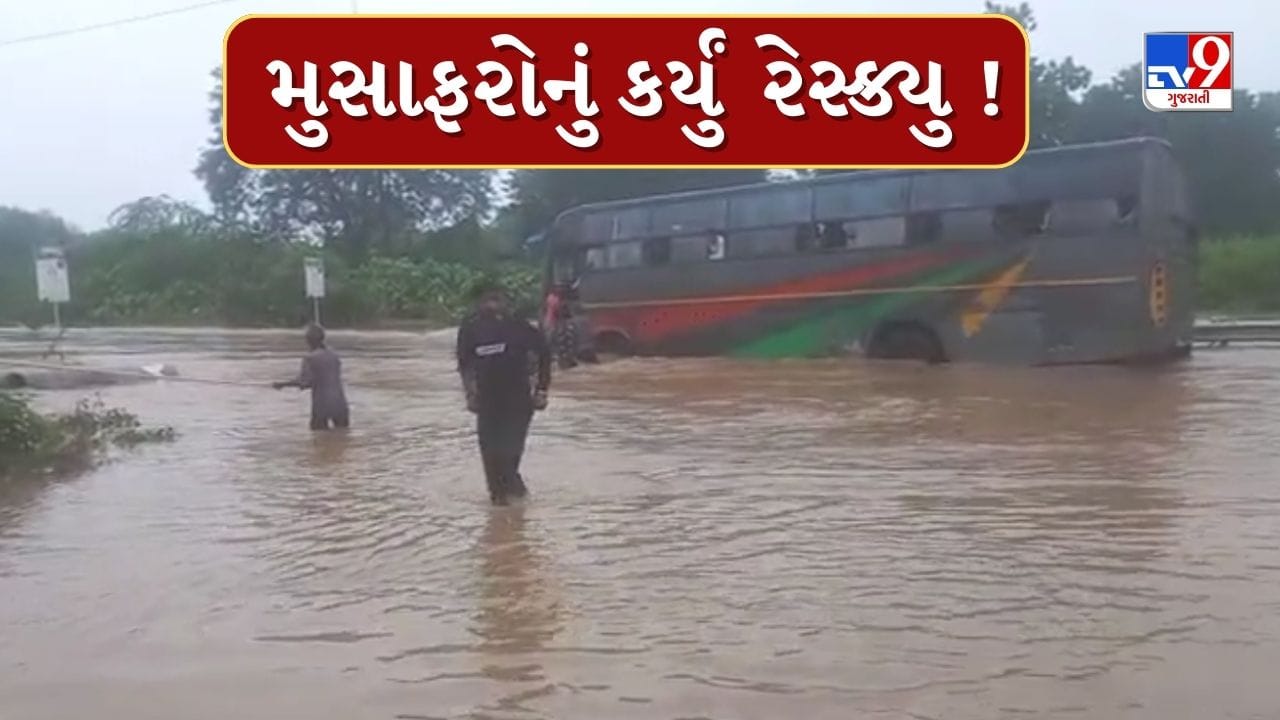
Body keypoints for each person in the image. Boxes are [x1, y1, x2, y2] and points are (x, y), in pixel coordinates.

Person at [457, 280, 552, 506]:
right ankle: (501, 516)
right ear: (479, 303)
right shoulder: (470, 330)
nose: (492, 305)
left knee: (508, 460)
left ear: (505, 302)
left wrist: (541, 390)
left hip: (518, 403)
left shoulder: (520, 328)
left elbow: (545, 356)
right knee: (490, 462)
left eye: (496, 299)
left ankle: (520, 506)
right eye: (487, 300)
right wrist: (470, 394)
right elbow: (465, 364)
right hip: (487, 404)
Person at [273, 324, 350, 431]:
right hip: (340, 404)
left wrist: (282, 384)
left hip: (322, 406)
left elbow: (305, 382)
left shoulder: (309, 358)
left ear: (308, 340)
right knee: (342, 437)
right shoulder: (334, 355)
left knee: (317, 439)